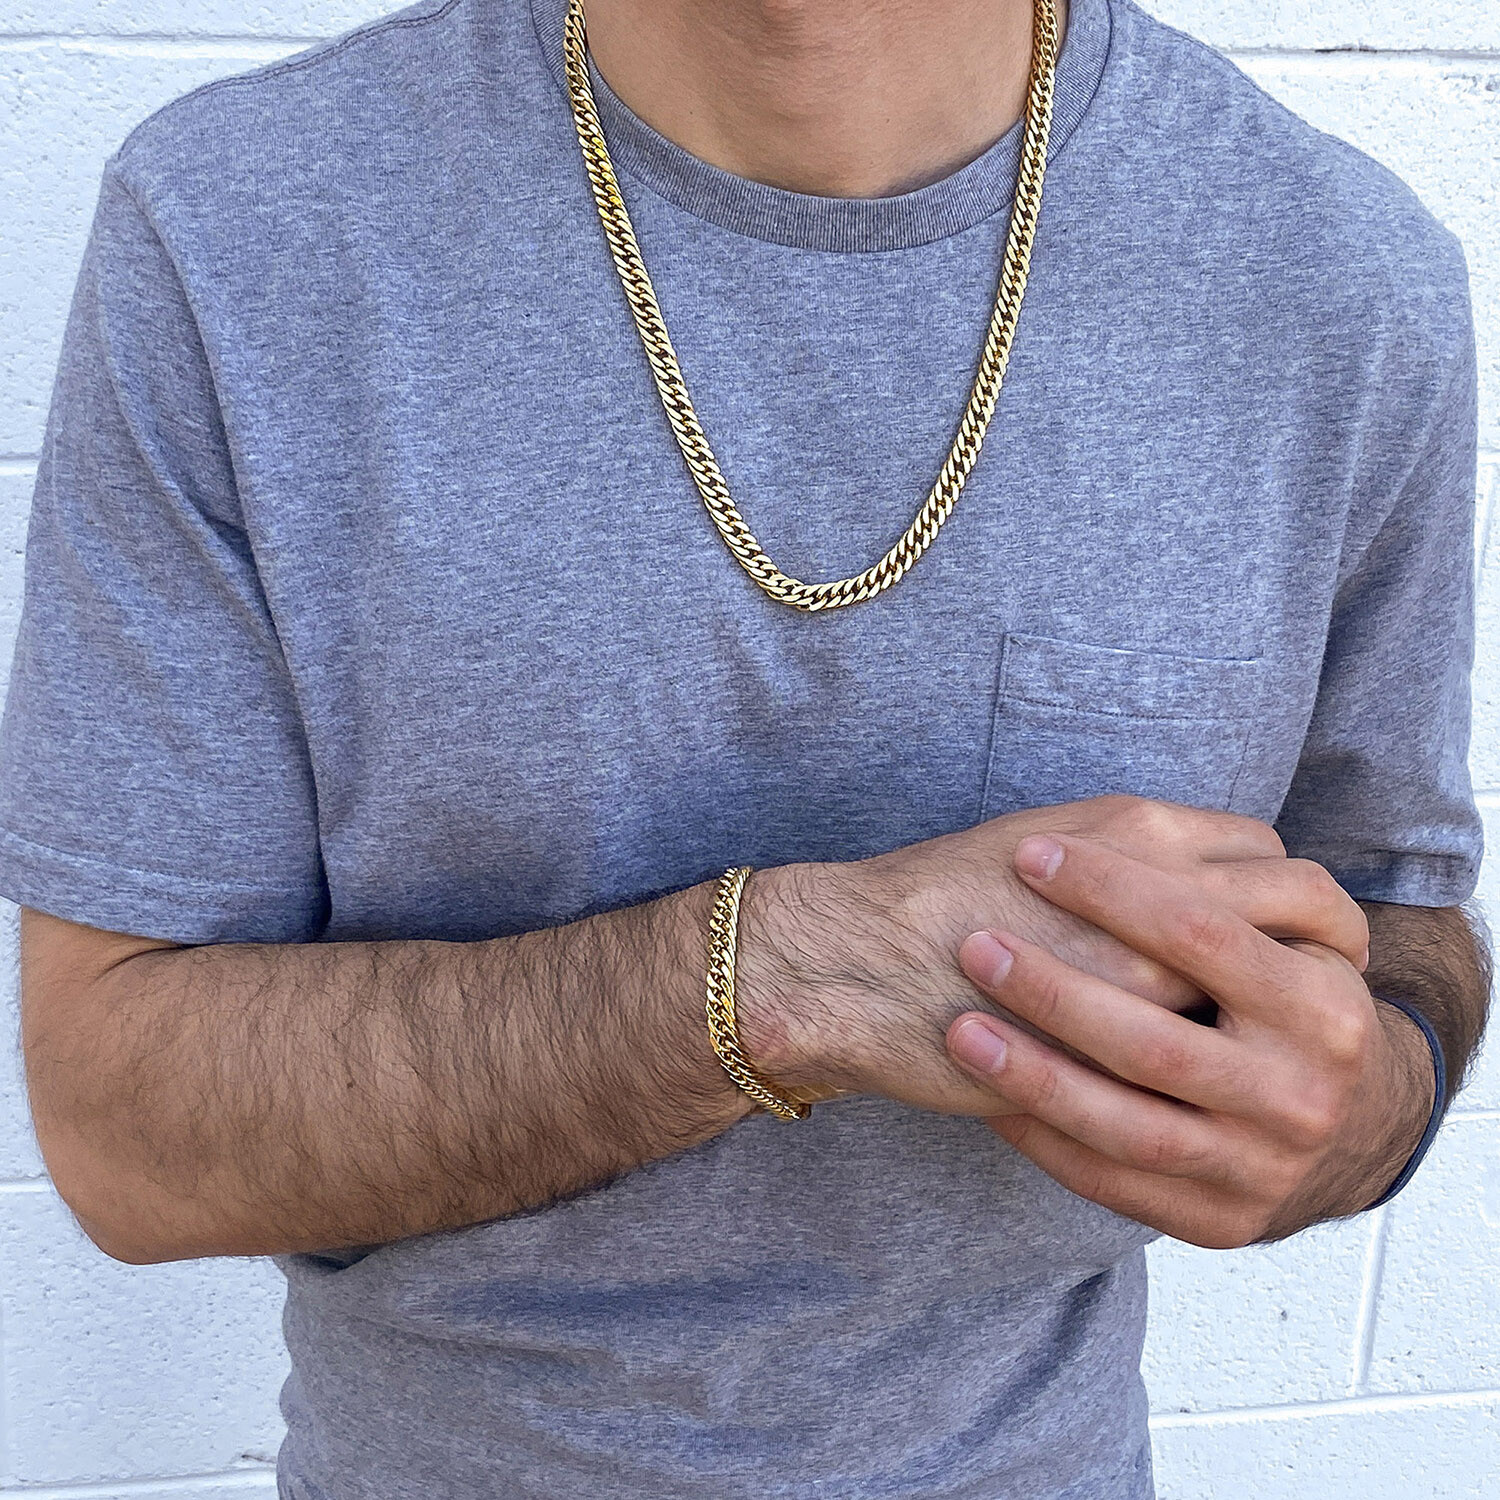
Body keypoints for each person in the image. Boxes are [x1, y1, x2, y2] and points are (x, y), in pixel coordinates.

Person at [1, 0, 1490, 1494]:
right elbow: (123, 1132)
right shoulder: (242, 228)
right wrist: (786, 979)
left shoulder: (1342, 279)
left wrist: (1365, 1105)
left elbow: (1399, 915)